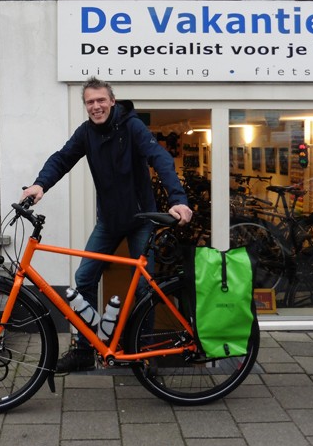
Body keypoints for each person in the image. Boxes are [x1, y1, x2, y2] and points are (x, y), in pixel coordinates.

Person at [20, 77, 193, 373]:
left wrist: (178, 199)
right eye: (90, 102)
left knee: (144, 287)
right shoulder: (86, 133)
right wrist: (40, 185)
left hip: (141, 219)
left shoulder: (132, 126)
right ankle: (85, 350)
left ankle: (142, 356)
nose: (96, 106)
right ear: (85, 106)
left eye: (101, 100)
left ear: (112, 101)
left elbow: (160, 157)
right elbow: (62, 159)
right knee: (84, 278)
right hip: (110, 221)